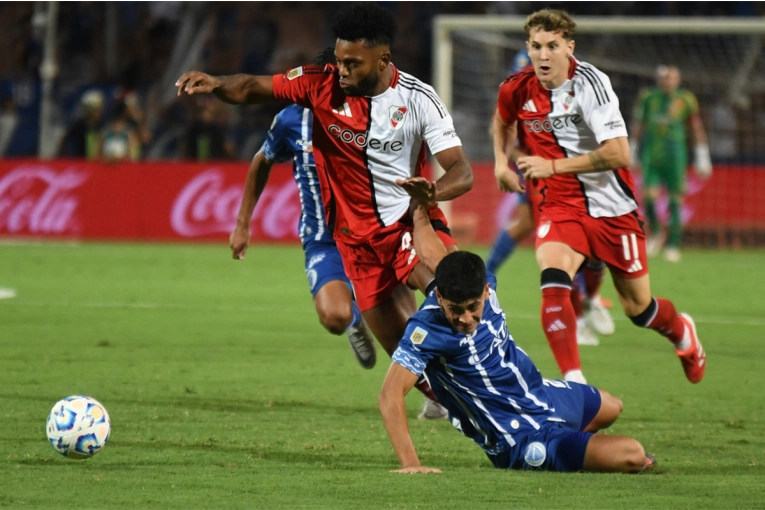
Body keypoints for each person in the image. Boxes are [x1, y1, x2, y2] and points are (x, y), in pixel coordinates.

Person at [176, 3, 474, 417]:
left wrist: (430, 194)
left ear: (382, 59)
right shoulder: (315, 91)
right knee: (391, 343)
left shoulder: (418, 99)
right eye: (338, 61)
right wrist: (215, 83)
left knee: (450, 294)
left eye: (352, 63)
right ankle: (458, 405)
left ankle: (500, 378)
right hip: (345, 240)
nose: (342, 71)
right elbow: (250, 92)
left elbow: (462, 170)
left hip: (406, 225)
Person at [492, 9, 706, 384]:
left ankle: (682, 332)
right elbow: (502, 120)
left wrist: (552, 166)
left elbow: (619, 153)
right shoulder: (516, 87)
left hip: (612, 208)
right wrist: (499, 162)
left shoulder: (591, 84)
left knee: (639, 309)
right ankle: (576, 385)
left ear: (569, 47)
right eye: (536, 46)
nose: (543, 55)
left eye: (553, 46)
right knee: (553, 280)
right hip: (559, 205)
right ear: (528, 46)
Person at [378, 205, 654, 474]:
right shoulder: (426, 332)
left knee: (612, 407)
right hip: (518, 435)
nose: (465, 318)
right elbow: (390, 395)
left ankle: (570, 443)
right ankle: (561, 446)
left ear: (486, 290)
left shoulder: (474, 279)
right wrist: (411, 464)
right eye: (455, 310)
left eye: (473, 307)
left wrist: (420, 211)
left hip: (538, 394)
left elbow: (434, 254)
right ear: (439, 297)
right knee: (632, 454)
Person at [230, 48, 377, 370]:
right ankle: (354, 320)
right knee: (334, 317)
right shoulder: (292, 119)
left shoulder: (373, 112)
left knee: (406, 321)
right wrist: (243, 224)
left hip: (375, 235)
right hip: (324, 239)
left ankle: (435, 393)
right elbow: (262, 160)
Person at [486, 50, 614, 345]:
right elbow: (501, 131)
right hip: (542, 180)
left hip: (576, 176)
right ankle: (579, 316)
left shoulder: (574, 91)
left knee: (591, 241)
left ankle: (590, 300)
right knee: (559, 241)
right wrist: (525, 160)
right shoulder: (517, 94)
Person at [630, 65, 712, 262]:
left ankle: (673, 245)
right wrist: (632, 148)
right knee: (648, 198)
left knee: (676, 200)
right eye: (665, 78)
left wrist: (702, 154)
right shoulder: (648, 97)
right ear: (659, 80)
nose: (668, 82)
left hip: (676, 155)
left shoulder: (685, 99)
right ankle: (657, 233)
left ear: (678, 80)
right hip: (652, 154)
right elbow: (638, 123)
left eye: (672, 78)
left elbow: (695, 126)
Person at [58, 89, 104, 159]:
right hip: (81, 161)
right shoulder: (79, 125)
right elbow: (63, 139)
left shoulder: (101, 125)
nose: (98, 113)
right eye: (96, 110)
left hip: (96, 162)